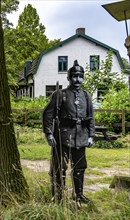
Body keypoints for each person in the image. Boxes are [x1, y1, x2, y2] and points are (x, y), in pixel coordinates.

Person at [42, 60, 95, 206]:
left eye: (80, 76)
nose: (78, 79)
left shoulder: (86, 96)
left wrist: (91, 135)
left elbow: (90, 117)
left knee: (80, 167)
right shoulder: (60, 94)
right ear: (69, 78)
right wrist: (49, 134)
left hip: (81, 138)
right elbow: (48, 114)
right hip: (62, 138)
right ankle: (58, 197)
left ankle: (78, 195)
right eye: (74, 76)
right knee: (59, 168)